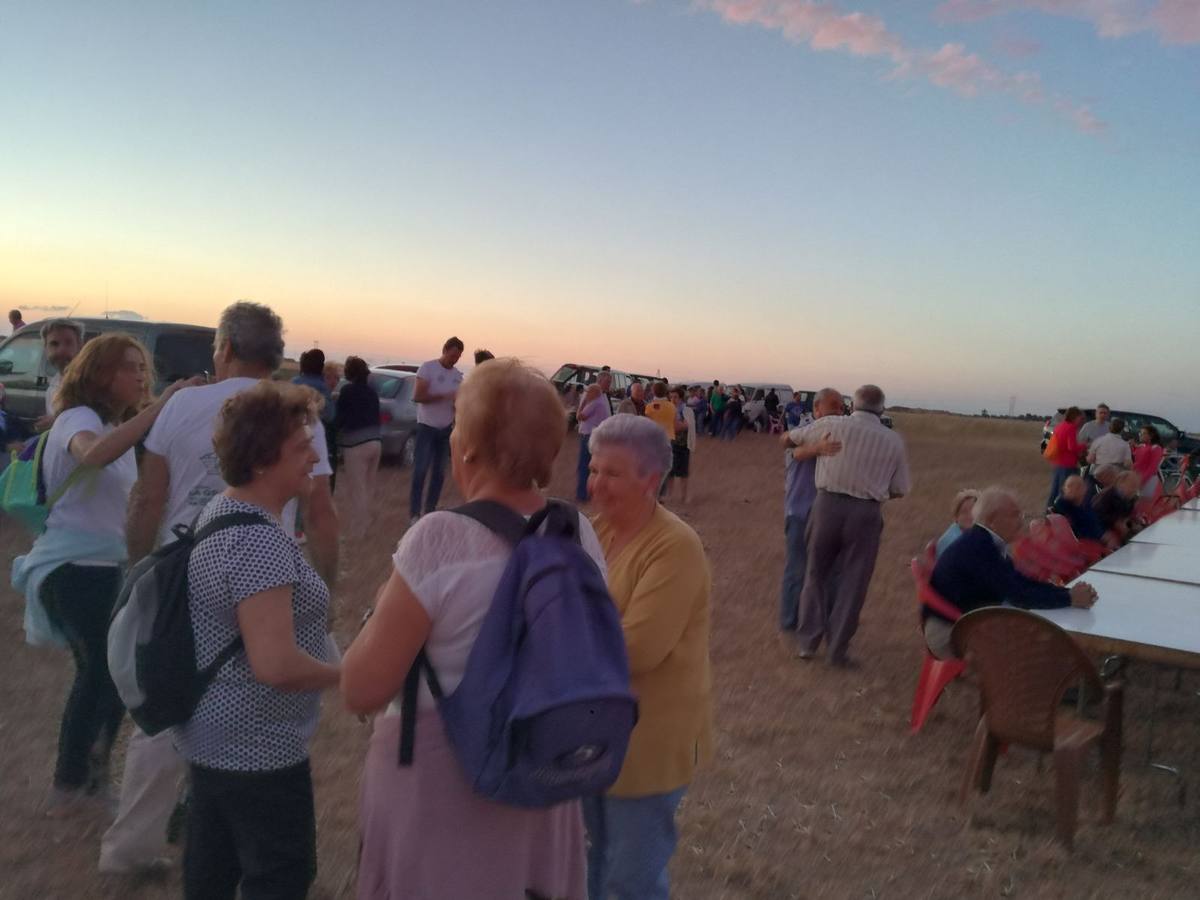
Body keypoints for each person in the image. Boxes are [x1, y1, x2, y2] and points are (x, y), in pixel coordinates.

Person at [343, 358, 599, 899]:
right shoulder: (578, 533)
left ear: (470, 448)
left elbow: (361, 688)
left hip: (442, 781)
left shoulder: (438, 539)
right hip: (540, 772)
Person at [102, 301, 338, 875]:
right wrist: (322, 599)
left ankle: (130, 850)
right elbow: (322, 512)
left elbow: (147, 496)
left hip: (187, 562)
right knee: (248, 700)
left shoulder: (182, 403)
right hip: (265, 569)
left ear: (226, 345)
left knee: (167, 709)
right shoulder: (292, 415)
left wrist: (144, 573)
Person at [11, 334, 198, 816]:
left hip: (100, 566)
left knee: (106, 675)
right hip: (73, 570)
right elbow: (92, 454)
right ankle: (73, 785)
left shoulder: (109, 422)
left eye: (143, 368)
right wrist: (159, 409)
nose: (142, 376)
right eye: (130, 367)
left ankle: (84, 782)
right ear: (99, 373)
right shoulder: (79, 419)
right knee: (103, 673)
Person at [179, 381, 341, 900]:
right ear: (261, 460)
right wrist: (353, 673)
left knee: (211, 871)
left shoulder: (224, 513)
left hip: (213, 733)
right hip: (256, 746)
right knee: (280, 875)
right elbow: (275, 665)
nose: (314, 457)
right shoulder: (257, 541)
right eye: (301, 447)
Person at [583, 414, 712, 900]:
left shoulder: (675, 546)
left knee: (630, 878)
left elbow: (636, 649)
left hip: (646, 740)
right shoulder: (595, 531)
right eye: (594, 469)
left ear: (651, 481)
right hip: (589, 730)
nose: (596, 482)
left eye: (612, 473)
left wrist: (560, 638)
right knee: (590, 859)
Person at [790, 385, 910, 666]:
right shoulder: (893, 440)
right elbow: (900, 488)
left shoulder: (830, 424)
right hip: (866, 513)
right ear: (881, 408)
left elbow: (792, 439)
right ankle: (837, 650)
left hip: (827, 505)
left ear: (852, 404)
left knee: (815, 574)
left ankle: (807, 643)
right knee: (854, 583)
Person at [923, 487, 1098, 659]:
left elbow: (1020, 582)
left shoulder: (985, 541)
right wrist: (1070, 598)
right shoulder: (980, 548)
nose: (1021, 520)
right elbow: (1018, 594)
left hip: (965, 623)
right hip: (950, 633)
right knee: (1040, 640)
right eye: (1015, 515)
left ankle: (1068, 685)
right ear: (992, 521)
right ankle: (1060, 686)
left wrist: (1068, 593)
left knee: (1042, 631)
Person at [779, 388, 843, 634]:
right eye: (833, 405)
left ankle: (823, 621)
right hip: (800, 512)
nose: (838, 411)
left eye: (841, 406)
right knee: (797, 569)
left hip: (830, 516)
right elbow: (792, 449)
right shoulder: (804, 429)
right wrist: (818, 449)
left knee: (831, 571)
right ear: (816, 409)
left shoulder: (842, 432)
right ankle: (789, 621)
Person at [410, 337, 464, 521]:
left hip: (445, 429)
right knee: (420, 470)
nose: (454, 360)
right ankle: (414, 513)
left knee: (439, 473)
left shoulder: (458, 376)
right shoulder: (428, 368)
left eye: (457, 357)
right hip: (426, 427)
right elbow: (418, 396)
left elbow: (457, 403)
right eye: (452, 356)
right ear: (445, 350)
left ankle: (429, 510)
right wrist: (444, 396)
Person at [336, 356, 382, 540]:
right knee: (367, 488)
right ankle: (364, 525)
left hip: (356, 445)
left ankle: (357, 531)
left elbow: (340, 418)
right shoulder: (372, 392)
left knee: (357, 490)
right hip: (376, 443)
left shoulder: (347, 391)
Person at [35, 318, 84, 432]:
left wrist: (56, 423)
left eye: (68, 343)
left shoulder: (90, 382)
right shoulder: (55, 382)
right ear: (46, 348)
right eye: (54, 344)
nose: (61, 350)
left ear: (80, 346)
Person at [576, 370, 613, 502]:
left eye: (610, 382)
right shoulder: (595, 397)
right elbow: (581, 416)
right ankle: (583, 494)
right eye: (608, 382)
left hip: (599, 435)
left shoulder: (602, 396)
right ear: (600, 381)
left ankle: (590, 493)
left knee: (596, 466)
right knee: (586, 465)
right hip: (590, 435)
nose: (610, 384)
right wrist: (585, 400)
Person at [1045, 407, 1085, 508]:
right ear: (1074, 417)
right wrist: (1085, 445)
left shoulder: (1060, 426)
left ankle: (1048, 511)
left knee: (1055, 490)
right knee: (1064, 491)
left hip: (1058, 463)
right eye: (1080, 419)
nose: (1081, 422)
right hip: (1068, 464)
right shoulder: (1071, 428)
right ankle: (1060, 513)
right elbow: (1071, 447)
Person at [1052, 475, 1107, 543]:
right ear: (1063, 489)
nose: (1073, 489)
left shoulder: (1090, 504)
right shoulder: (1062, 506)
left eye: (1078, 486)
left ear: (1085, 489)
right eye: (1069, 486)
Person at [665, 386, 696, 504]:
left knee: (683, 473)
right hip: (668, 445)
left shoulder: (687, 411)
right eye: (671, 397)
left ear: (681, 398)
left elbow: (685, 426)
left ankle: (684, 496)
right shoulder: (667, 410)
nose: (673, 399)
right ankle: (669, 495)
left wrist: (674, 424)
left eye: (676, 397)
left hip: (683, 445)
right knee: (669, 472)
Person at [1093, 470, 1142, 541]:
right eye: (1132, 485)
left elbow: (1125, 516)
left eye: (1137, 486)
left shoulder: (1130, 497)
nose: (1135, 489)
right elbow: (1097, 516)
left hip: (1119, 531)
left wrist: (1132, 523)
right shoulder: (1106, 496)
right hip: (1103, 532)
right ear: (1120, 482)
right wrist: (1115, 522)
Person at [935, 489, 979, 558]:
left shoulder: (976, 533)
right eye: (964, 512)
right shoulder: (952, 540)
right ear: (956, 516)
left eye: (973, 511)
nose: (970, 515)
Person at [1132, 425, 1165, 498]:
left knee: (1145, 502)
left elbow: (1152, 468)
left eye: (1143, 433)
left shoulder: (1156, 448)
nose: (1140, 435)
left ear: (1151, 436)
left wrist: (1142, 480)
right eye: (1140, 433)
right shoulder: (1141, 446)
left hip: (1149, 480)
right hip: (1137, 478)